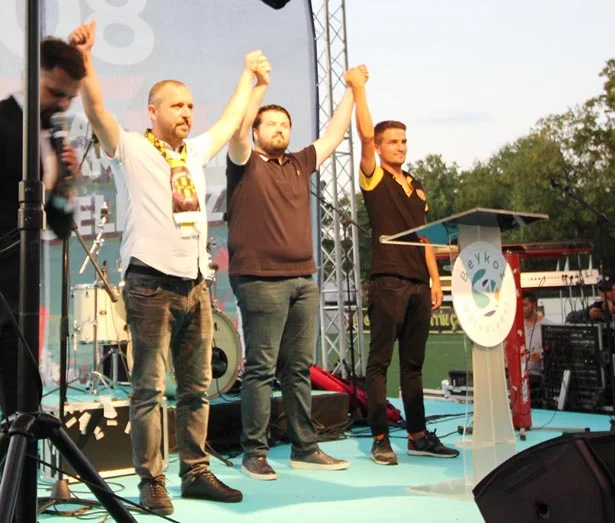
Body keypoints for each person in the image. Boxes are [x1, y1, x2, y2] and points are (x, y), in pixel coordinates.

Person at [70, 21, 270, 515]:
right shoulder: (131, 148)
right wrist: (86, 59)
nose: (186, 113)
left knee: (197, 389)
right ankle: (151, 481)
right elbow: (96, 109)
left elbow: (229, 120)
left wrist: (248, 77)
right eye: (177, 105)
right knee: (149, 389)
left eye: (190, 106)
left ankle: (195, 471)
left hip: (195, 285)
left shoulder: (194, 152)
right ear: (152, 111)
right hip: (149, 285)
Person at [225, 65, 368, 480]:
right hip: (259, 278)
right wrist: (260, 85)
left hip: (304, 279)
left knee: (299, 369)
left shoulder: (299, 163)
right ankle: (254, 452)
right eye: (270, 123)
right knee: (261, 368)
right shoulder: (244, 161)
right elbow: (236, 131)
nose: (279, 129)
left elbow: (334, 135)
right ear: (256, 131)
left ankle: (305, 447)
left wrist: (352, 89)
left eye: (285, 124)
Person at [353, 78, 459, 465]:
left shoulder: (416, 184)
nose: (401, 146)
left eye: (404, 141)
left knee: (414, 365)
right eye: (393, 141)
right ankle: (380, 438)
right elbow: (365, 135)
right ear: (380, 147)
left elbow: (425, 237)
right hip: (388, 281)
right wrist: (359, 89)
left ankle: (417, 435)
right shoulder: (374, 176)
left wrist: (436, 279)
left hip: (419, 284)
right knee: (380, 362)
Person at [0, 36, 85, 420]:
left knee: (23, 407)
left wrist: (66, 189)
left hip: (21, 295)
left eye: (71, 98)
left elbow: (61, 225)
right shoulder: (3, 120)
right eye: (56, 92)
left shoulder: (53, 137)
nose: (64, 104)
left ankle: (20, 460)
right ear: (30, 76)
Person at [522, 291, 552, 404]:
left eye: (525, 305)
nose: (522, 309)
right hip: (519, 377)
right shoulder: (517, 327)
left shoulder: (547, 325)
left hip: (537, 378)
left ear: (534, 304)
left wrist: (542, 354)